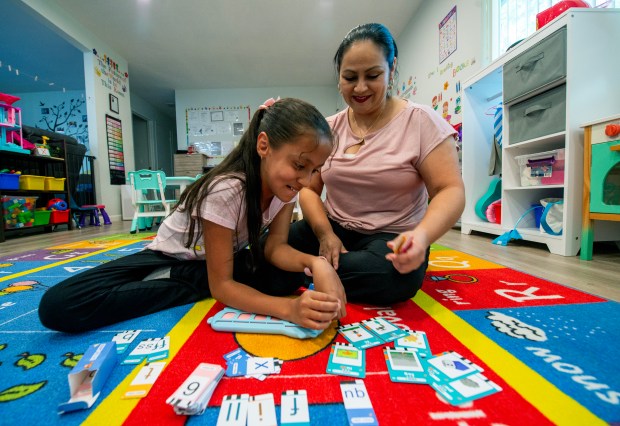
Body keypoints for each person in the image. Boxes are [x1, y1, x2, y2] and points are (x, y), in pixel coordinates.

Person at [39, 97, 347, 333]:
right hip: (172, 260)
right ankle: (185, 281)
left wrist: (315, 263)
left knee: (288, 274)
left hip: (223, 260)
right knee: (59, 305)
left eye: (314, 171)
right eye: (299, 166)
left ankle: (197, 282)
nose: (307, 181)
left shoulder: (284, 190)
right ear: (263, 145)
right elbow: (222, 287)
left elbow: (275, 247)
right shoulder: (226, 190)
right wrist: (288, 311)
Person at [288, 23, 465, 305]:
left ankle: (301, 271)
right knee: (268, 246)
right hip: (332, 227)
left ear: (392, 69)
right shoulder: (328, 129)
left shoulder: (421, 121)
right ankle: (317, 270)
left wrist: (420, 238)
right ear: (338, 79)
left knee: (389, 276)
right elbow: (309, 190)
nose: (360, 87)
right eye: (349, 77)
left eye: (372, 75)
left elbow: (450, 190)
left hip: (392, 237)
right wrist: (325, 234)